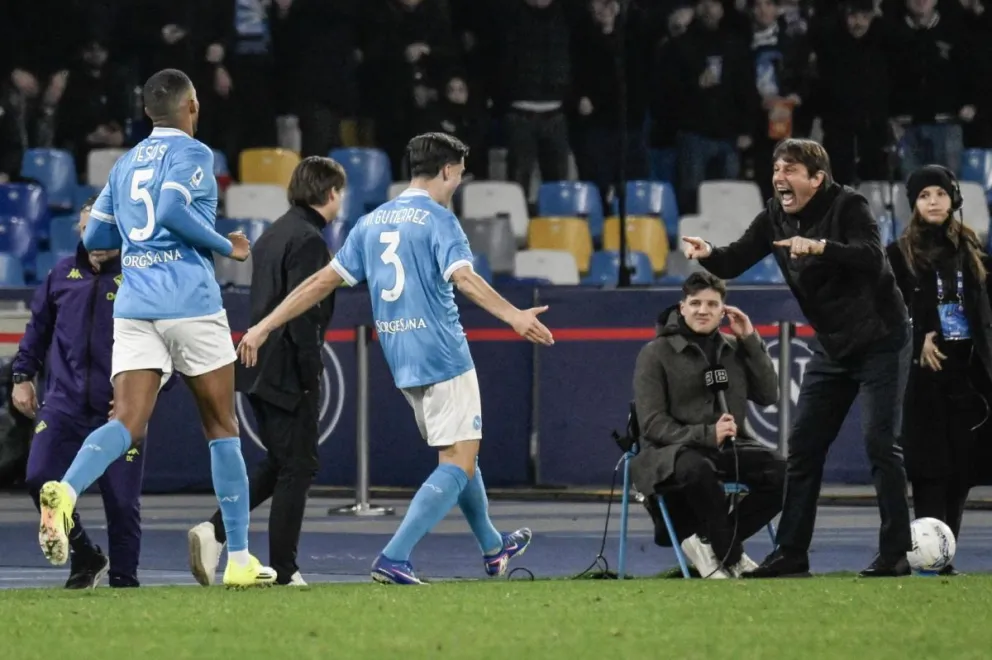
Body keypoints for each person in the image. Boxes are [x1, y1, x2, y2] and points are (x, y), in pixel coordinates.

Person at [237, 132, 554, 585]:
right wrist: (513, 316)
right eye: (460, 174)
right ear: (447, 170)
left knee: (461, 453)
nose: (459, 182)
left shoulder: (372, 222)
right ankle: (394, 556)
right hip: (444, 353)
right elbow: (463, 278)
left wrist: (265, 324)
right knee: (458, 461)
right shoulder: (440, 221)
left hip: (401, 357)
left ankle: (492, 546)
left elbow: (319, 283)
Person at [35, 68, 276, 588]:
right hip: (188, 300)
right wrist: (223, 245)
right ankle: (238, 559)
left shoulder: (123, 165)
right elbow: (170, 208)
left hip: (135, 302)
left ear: (148, 112)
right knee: (221, 428)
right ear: (190, 106)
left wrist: (136, 242)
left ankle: (69, 492)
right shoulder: (193, 153)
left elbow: (98, 231)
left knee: (126, 422)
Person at [681, 137, 913, 578]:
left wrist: (821, 246)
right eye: (776, 170)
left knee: (881, 446)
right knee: (804, 449)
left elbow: (872, 258)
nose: (779, 178)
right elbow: (734, 259)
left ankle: (896, 553)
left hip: (882, 339)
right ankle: (791, 553)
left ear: (816, 179)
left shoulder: (850, 206)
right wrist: (709, 252)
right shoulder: (774, 215)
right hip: (832, 345)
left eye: (789, 170)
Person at [189, 156, 346, 587]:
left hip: (256, 369)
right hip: (287, 370)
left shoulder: (273, 233)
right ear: (331, 193)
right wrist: (311, 373)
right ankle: (284, 569)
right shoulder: (310, 240)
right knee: (299, 466)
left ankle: (215, 530)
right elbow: (303, 314)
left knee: (280, 463)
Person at [13, 197, 145, 589]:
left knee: (122, 503)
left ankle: (125, 583)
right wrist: (22, 375)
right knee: (40, 478)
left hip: (118, 410)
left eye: (106, 229)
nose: (98, 238)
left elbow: (164, 346)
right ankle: (85, 554)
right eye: (90, 229)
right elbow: (37, 329)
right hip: (63, 404)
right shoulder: (60, 273)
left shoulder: (139, 278)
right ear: (80, 231)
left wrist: (140, 399)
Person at [631, 272, 785, 578]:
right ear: (682, 307)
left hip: (728, 447)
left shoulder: (734, 348)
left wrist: (750, 339)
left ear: (723, 310)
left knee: (786, 474)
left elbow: (768, 394)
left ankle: (711, 543)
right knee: (697, 468)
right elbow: (651, 424)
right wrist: (706, 434)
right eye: (696, 303)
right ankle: (731, 553)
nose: (703, 310)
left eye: (712, 304)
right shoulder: (654, 353)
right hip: (670, 453)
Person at [886, 165, 992, 576]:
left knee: (962, 469)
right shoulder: (898, 254)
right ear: (914, 203)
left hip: (970, 373)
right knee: (930, 468)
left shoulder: (974, 251)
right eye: (925, 195)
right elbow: (887, 310)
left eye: (941, 194)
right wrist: (916, 340)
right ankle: (930, 554)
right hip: (923, 375)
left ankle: (944, 556)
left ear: (954, 201)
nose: (933, 202)